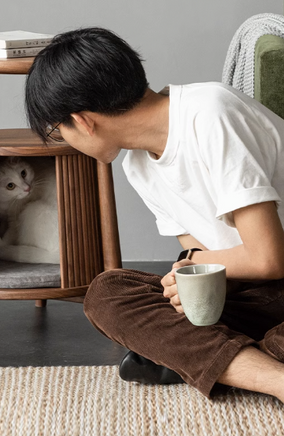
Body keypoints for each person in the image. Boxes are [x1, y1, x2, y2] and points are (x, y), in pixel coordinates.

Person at [24, 27, 284, 402]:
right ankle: (252, 366)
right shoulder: (138, 167)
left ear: (82, 121)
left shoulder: (210, 112)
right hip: (253, 292)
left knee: (244, 335)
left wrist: (193, 263)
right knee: (106, 294)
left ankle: (210, 362)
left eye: (59, 131)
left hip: (276, 278)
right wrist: (190, 288)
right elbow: (211, 268)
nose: (67, 142)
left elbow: (268, 258)